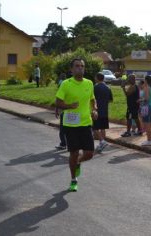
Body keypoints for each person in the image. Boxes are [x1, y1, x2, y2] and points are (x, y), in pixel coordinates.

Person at [55, 58, 98, 192]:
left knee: (89, 153)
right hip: (71, 124)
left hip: (85, 123)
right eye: (77, 66)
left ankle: (78, 162)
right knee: (73, 153)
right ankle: (73, 179)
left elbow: (92, 99)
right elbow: (58, 102)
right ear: (71, 69)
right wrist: (69, 106)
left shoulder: (89, 83)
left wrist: (94, 109)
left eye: (82, 66)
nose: (80, 68)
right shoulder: (66, 84)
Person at [93, 72, 113, 153]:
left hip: (97, 111)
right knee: (103, 128)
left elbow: (92, 99)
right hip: (105, 111)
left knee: (94, 128)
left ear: (97, 78)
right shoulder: (108, 88)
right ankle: (102, 145)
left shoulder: (95, 87)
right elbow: (110, 100)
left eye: (95, 77)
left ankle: (102, 141)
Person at [140, 75, 151, 146]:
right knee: (150, 124)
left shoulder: (146, 88)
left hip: (147, 107)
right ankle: (150, 139)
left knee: (147, 124)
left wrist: (140, 100)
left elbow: (146, 98)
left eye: (144, 80)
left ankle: (148, 140)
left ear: (146, 80)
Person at [55, 73, 68, 150]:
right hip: (72, 112)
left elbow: (58, 101)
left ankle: (63, 144)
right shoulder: (69, 86)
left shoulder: (62, 86)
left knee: (62, 129)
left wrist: (56, 110)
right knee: (70, 129)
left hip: (64, 112)